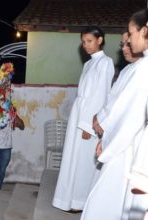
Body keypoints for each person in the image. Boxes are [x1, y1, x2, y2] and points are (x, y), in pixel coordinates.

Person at [82, 9, 148, 219]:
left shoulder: (143, 69)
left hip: (129, 145)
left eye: (131, 33)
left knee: (109, 200)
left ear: (144, 30)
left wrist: (107, 141)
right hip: (123, 138)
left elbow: (130, 115)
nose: (128, 40)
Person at [52, 26, 114, 211]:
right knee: (72, 158)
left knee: (84, 163)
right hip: (78, 114)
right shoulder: (88, 64)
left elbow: (101, 95)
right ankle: (68, 199)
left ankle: (80, 201)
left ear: (100, 40)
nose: (86, 45)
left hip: (88, 119)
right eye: (83, 42)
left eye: (89, 41)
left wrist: (89, 125)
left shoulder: (106, 62)